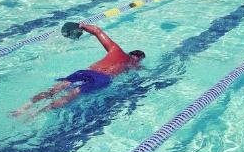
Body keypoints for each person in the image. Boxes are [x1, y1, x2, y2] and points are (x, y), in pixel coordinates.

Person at [12, 24, 145, 116]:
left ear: (130, 52)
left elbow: (97, 31)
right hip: (102, 79)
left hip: (88, 71)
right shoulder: (134, 65)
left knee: (55, 89)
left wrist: (81, 25)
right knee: (71, 95)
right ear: (138, 58)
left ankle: (23, 108)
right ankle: (36, 114)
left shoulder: (115, 50)